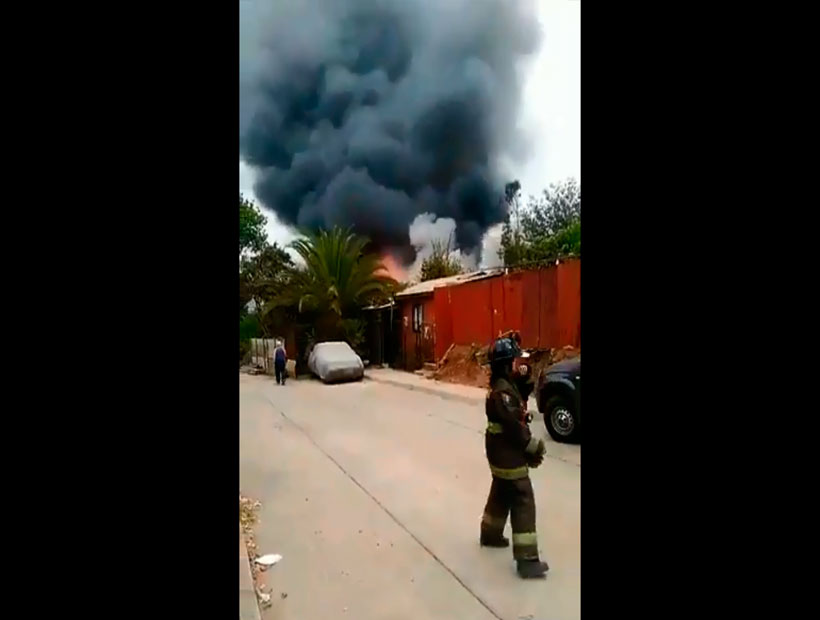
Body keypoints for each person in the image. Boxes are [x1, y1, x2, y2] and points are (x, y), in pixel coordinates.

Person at [480, 336, 549, 579]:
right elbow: (513, 425)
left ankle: (490, 534)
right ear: (506, 364)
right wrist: (531, 446)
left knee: (501, 490)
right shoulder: (502, 393)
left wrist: (525, 370)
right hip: (506, 451)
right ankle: (527, 560)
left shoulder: (505, 384)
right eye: (515, 360)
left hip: (499, 450)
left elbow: (524, 388)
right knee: (522, 496)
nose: (517, 363)